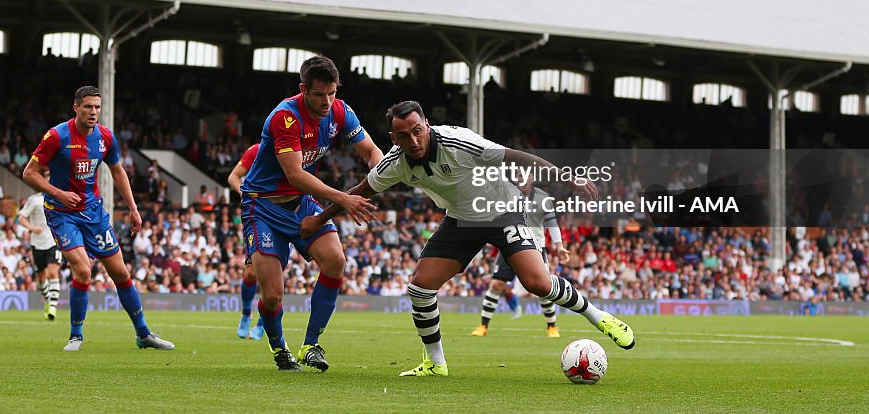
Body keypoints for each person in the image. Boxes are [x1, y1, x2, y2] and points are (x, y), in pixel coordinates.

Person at [301, 100, 635, 377]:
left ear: (427, 125)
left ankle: (600, 317)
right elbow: (360, 191)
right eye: (404, 136)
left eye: (418, 131)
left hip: (503, 208)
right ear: (394, 137)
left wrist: (567, 178)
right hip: (461, 221)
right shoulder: (396, 163)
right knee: (420, 286)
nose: (414, 140)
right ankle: (435, 363)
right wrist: (320, 218)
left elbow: (516, 156)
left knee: (537, 283)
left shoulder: (460, 142)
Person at [241, 55, 382, 372]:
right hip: (262, 206)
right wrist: (344, 199)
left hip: (302, 202)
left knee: (336, 260)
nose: (326, 101)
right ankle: (280, 350)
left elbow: (371, 150)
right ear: (303, 89)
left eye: (331, 93)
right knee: (274, 295)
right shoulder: (285, 118)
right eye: (319, 94)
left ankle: (311, 344)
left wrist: (379, 166)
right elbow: (295, 174)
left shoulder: (340, 112)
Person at [22, 85, 174, 352]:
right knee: (83, 269)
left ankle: (144, 334)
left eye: (97, 107)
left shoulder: (105, 137)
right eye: (88, 107)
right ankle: (76, 336)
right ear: (76, 107)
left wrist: (133, 208)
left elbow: (117, 172)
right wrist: (58, 193)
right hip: (61, 214)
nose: (93, 112)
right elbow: (29, 173)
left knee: (120, 272)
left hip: (94, 214)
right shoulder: (56, 136)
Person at [471, 184, 569, 338]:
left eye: (524, 175)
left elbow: (551, 222)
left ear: (531, 178)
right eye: (518, 175)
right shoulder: (506, 194)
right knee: (496, 284)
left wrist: (560, 246)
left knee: (543, 288)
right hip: (510, 242)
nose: (521, 178)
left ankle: (552, 327)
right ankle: (483, 326)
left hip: (535, 246)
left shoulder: (542, 197)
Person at [227, 143, 264, 341]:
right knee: (251, 273)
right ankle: (246, 313)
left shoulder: (295, 151)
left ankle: (263, 322)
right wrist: (244, 193)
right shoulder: (256, 150)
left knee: (271, 275)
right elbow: (233, 176)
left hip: (284, 215)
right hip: (257, 216)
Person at [17, 191, 62, 320]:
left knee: (53, 273)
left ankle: (53, 307)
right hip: (37, 243)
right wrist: (32, 228)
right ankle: (48, 300)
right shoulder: (34, 200)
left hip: (54, 241)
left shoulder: (59, 197)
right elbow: (21, 218)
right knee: (41, 277)